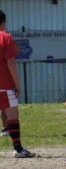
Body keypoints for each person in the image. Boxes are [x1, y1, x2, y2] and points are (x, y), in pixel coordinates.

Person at [0, 9, 35, 158]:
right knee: (12, 115)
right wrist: (17, 85)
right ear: (3, 22)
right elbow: (11, 63)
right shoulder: (5, 37)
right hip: (4, 84)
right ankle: (18, 149)